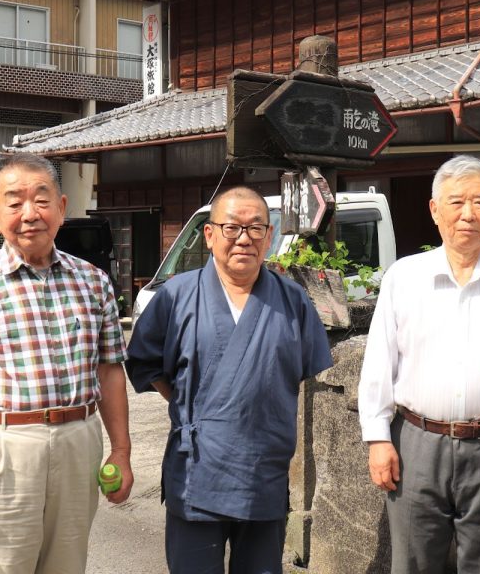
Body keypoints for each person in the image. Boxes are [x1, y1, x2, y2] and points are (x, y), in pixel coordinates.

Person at [0, 153, 133, 574]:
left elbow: (110, 371)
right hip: (3, 446)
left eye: (41, 199)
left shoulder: (93, 282)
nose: (29, 213)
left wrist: (122, 452)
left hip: (79, 440)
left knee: (68, 564)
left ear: (62, 208)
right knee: (2, 566)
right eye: (14, 202)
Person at [125, 186, 333, 574]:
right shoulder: (175, 297)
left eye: (256, 229)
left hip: (263, 471)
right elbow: (145, 362)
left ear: (269, 237)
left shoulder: (293, 301)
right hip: (196, 471)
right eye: (232, 227)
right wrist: (190, 403)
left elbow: (306, 366)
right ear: (209, 235)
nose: (244, 238)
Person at [358, 154, 480, 573]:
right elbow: (379, 364)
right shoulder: (404, 276)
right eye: (456, 202)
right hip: (416, 443)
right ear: (434, 210)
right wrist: (378, 438)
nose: (468, 214)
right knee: (414, 562)